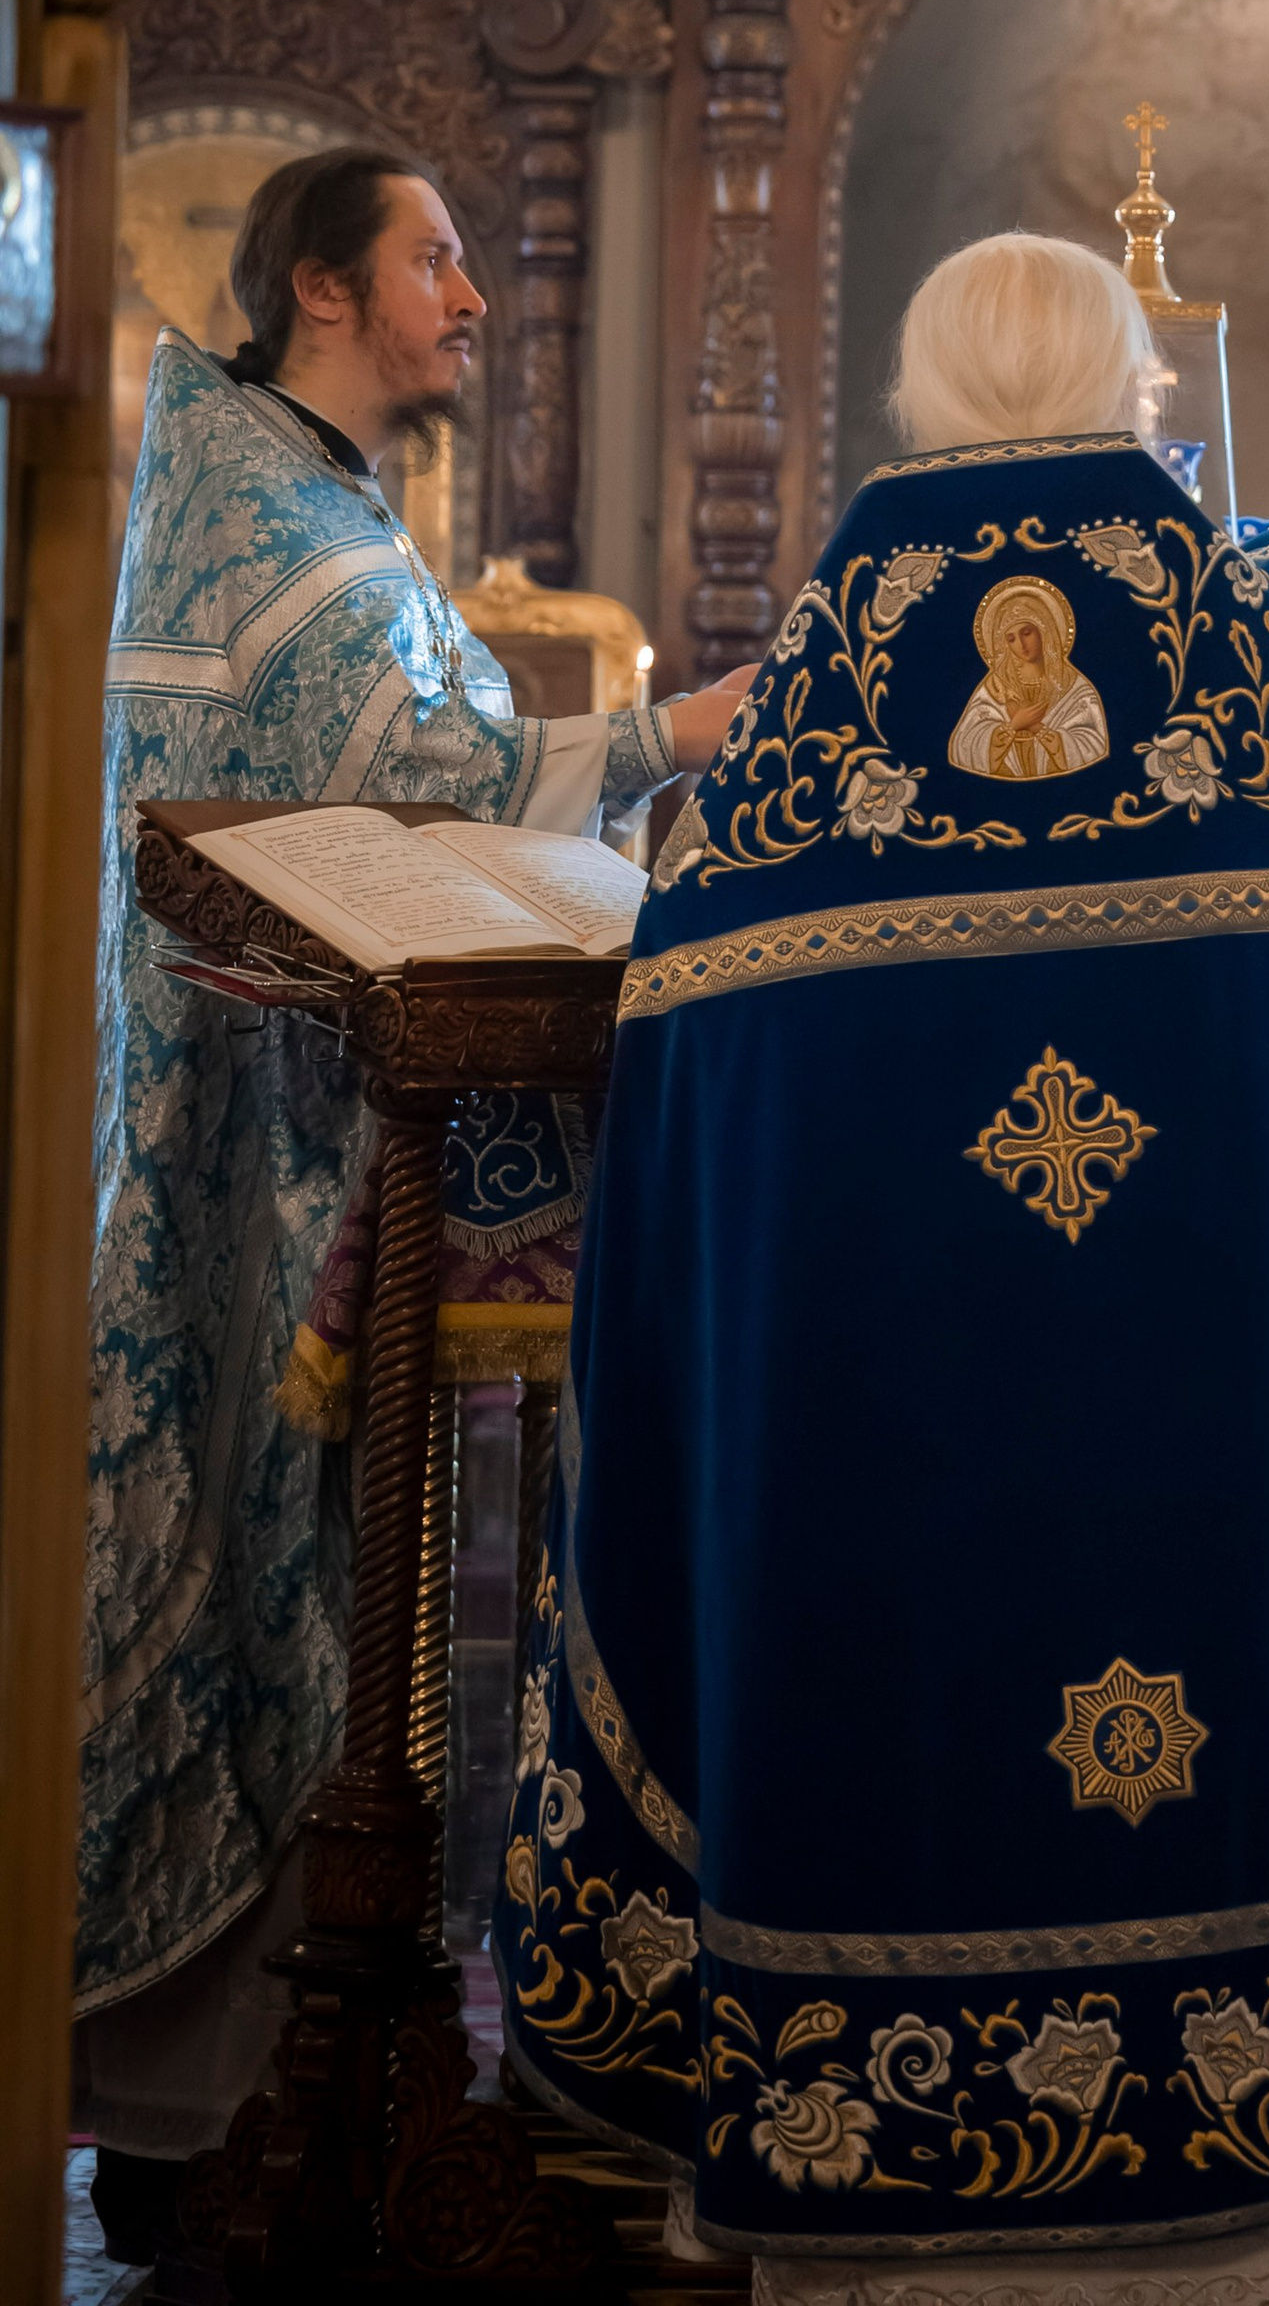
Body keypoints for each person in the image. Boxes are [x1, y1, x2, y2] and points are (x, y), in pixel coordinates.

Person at [496, 231, 1269, 2301]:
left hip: (875, 1509)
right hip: (1212, 1492)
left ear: (914, 400)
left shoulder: (783, 794)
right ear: (1138, 394)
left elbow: (676, 1212)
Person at [77, 146, 751, 2249]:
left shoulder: (283, 496)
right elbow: (431, 771)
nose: (472, 297)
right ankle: (231, 2107)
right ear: (321, 288)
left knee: (309, 1577)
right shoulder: (281, 518)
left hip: (291, 1105)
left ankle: (234, 2093)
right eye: (436, 261)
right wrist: (673, 728)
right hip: (256, 1135)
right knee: (271, 1572)